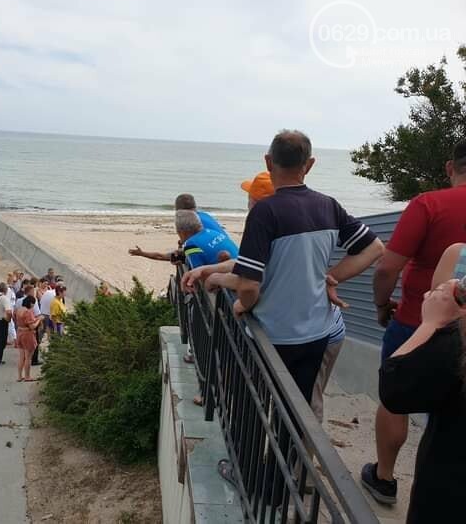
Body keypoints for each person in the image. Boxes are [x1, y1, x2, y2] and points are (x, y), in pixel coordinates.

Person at [232, 130, 383, 405]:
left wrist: (245, 304)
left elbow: (248, 285)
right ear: (309, 164)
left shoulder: (264, 212)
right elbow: (374, 248)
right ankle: (292, 449)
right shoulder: (328, 206)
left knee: (256, 405)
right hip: (316, 332)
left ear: (268, 162)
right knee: (297, 409)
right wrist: (329, 278)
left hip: (273, 334)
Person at [362, 138, 466, 505]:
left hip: (418, 321)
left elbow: (387, 267)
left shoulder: (429, 203)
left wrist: (380, 306)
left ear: (450, 168)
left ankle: (384, 478)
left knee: (395, 400)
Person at [378, 278, 466, 522]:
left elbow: (394, 390)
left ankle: (382, 476)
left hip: (448, 496)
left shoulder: (455, 343)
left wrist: (431, 323)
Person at [128, 193, 238, 263]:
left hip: (223, 267)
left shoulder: (191, 228)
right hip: (234, 259)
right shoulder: (205, 218)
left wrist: (185, 253)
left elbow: (196, 270)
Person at [15, 295, 43, 382]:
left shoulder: (19, 310)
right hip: (27, 335)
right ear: (31, 303)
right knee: (28, 357)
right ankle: (27, 376)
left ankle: (19, 376)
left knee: (21, 357)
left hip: (19, 332)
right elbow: (32, 326)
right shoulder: (28, 312)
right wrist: (39, 320)